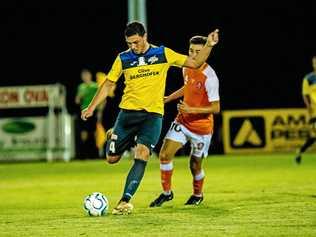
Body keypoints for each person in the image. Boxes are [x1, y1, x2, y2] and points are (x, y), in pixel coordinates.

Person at [81, 21, 219, 215]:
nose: (133, 47)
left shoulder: (163, 54)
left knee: (143, 153)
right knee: (112, 159)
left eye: (136, 42)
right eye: (129, 43)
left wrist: (209, 45)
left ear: (145, 37)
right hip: (127, 115)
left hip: (153, 116)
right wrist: (91, 107)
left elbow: (195, 63)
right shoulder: (123, 58)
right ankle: (115, 133)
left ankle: (124, 201)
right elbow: (107, 84)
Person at [149, 36, 220, 207]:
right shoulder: (186, 68)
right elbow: (187, 87)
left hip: (202, 128)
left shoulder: (210, 77)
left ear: (206, 52)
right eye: (191, 51)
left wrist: (191, 110)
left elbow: (216, 108)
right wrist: (169, 98)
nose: (193, 55)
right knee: (165, 155)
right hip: (182, 121)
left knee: (194, 165)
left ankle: (197, 194)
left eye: (198, 52)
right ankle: (166, 193)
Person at [295, 56, 316, 164]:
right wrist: (310, 111)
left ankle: (300, 151)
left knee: (314, 138)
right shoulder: (308, 78)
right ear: (313, 65)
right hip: (315, 112)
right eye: (315, 63)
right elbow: (305, 95)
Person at [75, 69, 99, 159]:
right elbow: (77, 100)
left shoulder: (95, 86)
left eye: (86, 75)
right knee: (84, 132)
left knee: (94, 132)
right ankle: (83, 154)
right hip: (84, 112)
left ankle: (96, 153)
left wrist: (99, 110)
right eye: (83, 76)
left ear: (90, 76)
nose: (85, 77)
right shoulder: (81, 87)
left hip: (93, 111)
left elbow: (102, 99)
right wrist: (79, 97)